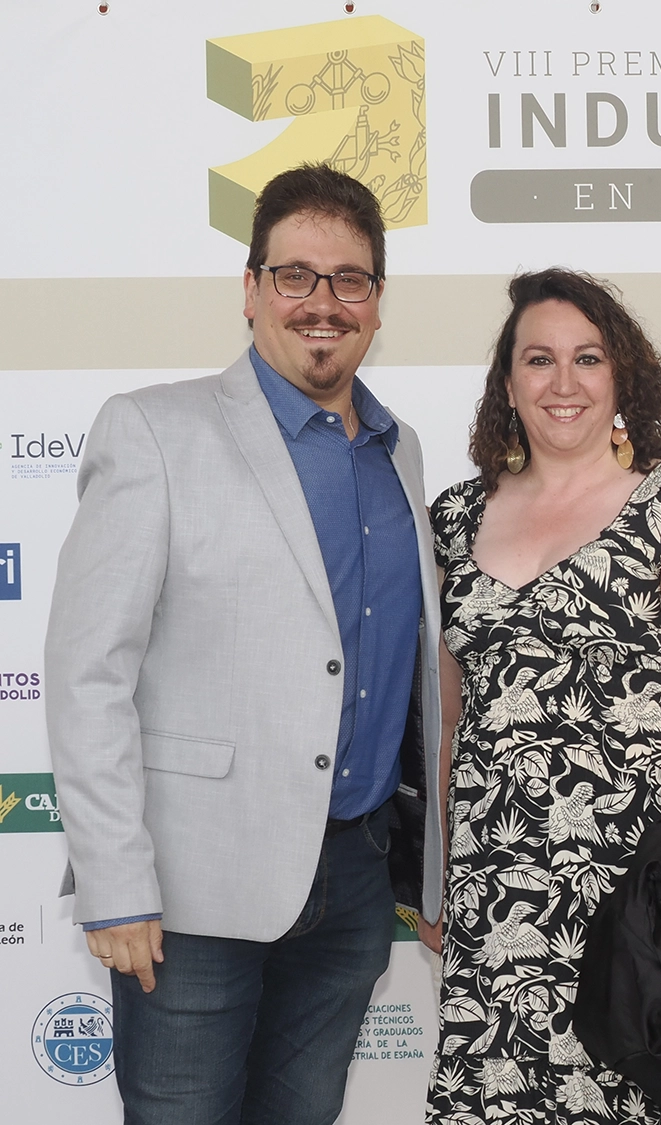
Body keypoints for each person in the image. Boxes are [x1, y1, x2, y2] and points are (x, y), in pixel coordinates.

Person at [44, 163, 443, 1125]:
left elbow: (407, 677)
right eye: (295, 274)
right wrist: (115, 881)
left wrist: (425, 867)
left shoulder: (403, 452)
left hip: (351, 883)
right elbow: (86, 670)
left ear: (378, 302)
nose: (322, 302)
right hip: (188, 893)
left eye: (349, 279)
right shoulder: (153, 430)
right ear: (253, 288)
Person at [424, 268, 661, 1124]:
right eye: (539, 359)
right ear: (507, 383)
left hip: (631, 898)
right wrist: (441, 875)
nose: (563, 383)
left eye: (587, 358)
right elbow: (452, 722)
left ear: (622, 379)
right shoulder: (453, 521)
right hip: (496, 898)